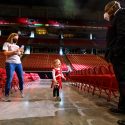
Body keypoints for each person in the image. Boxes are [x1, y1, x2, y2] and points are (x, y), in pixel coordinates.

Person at [104, 1, 125, 125]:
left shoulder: (121, 13)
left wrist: (115, 52)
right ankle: (122, 107)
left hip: (121, 56)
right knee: (122, 83)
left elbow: (122, 35)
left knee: (124, 83)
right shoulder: (117, 16)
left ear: (113, 8)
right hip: (119, 56)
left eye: (106, 10)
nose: (106, 13)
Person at [2, 33, 24, 102]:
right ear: (11, 37)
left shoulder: (17, 46)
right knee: (9, 79)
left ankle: (21, 90)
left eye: (17, 38)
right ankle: (6, 95)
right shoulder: (6, 44)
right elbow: (5, 53)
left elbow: (19, 56)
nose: (16, 39)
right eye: (15, 38)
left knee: (21, 78)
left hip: (18, 63)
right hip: (10, 63)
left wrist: (20, 53)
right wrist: (14, 52)